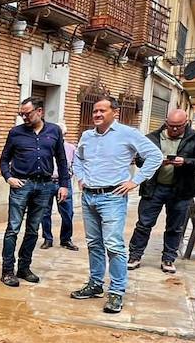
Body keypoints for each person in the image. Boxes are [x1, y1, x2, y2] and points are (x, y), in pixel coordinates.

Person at [69, 97, 162, 314]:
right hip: (89, 197)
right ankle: (95, 285)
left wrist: (135, 181)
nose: (97, 114)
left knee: (114, 246)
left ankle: (117, 292)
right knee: (93, 243)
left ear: (115, 113)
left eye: (102, 110)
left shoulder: (127, 134)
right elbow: (78, 159)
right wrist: (80, 178)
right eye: (95, 111)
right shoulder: (87, 136)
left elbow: (155, 156)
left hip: (112, 197)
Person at [127, 109, 195, 275]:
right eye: (171, 126)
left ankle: (168, 258)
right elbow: (138, 160)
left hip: (181, 190)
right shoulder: (152, 138)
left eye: (178, 127)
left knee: (175, 227)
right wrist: (157, 162)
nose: (174, 129)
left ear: (186, 123)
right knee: (144, 224)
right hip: (154, 188)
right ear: (166, 122)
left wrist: (186, 161)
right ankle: (134, 256)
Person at [0, 97, 69, 286]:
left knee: (33, 230)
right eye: (21, 114)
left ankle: (24, 267)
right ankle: (7, 271)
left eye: (27, 113)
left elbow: (61, 160)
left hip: (45, 186)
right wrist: (8, 177)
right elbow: (4, 159)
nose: (24, 117)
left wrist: (64, 185)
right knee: (13, 228)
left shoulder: (54, 131)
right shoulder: (15, 133)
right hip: (22, 185)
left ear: (40, 111)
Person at [40, 138, 79, 251]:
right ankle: (47, 239)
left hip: (64, 182)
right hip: (47, 182)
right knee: (45, 212)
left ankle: (66, 239)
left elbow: (76, 163)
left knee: (68, 212)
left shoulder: (70, 148)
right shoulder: (44, 146)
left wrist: (70, 174)